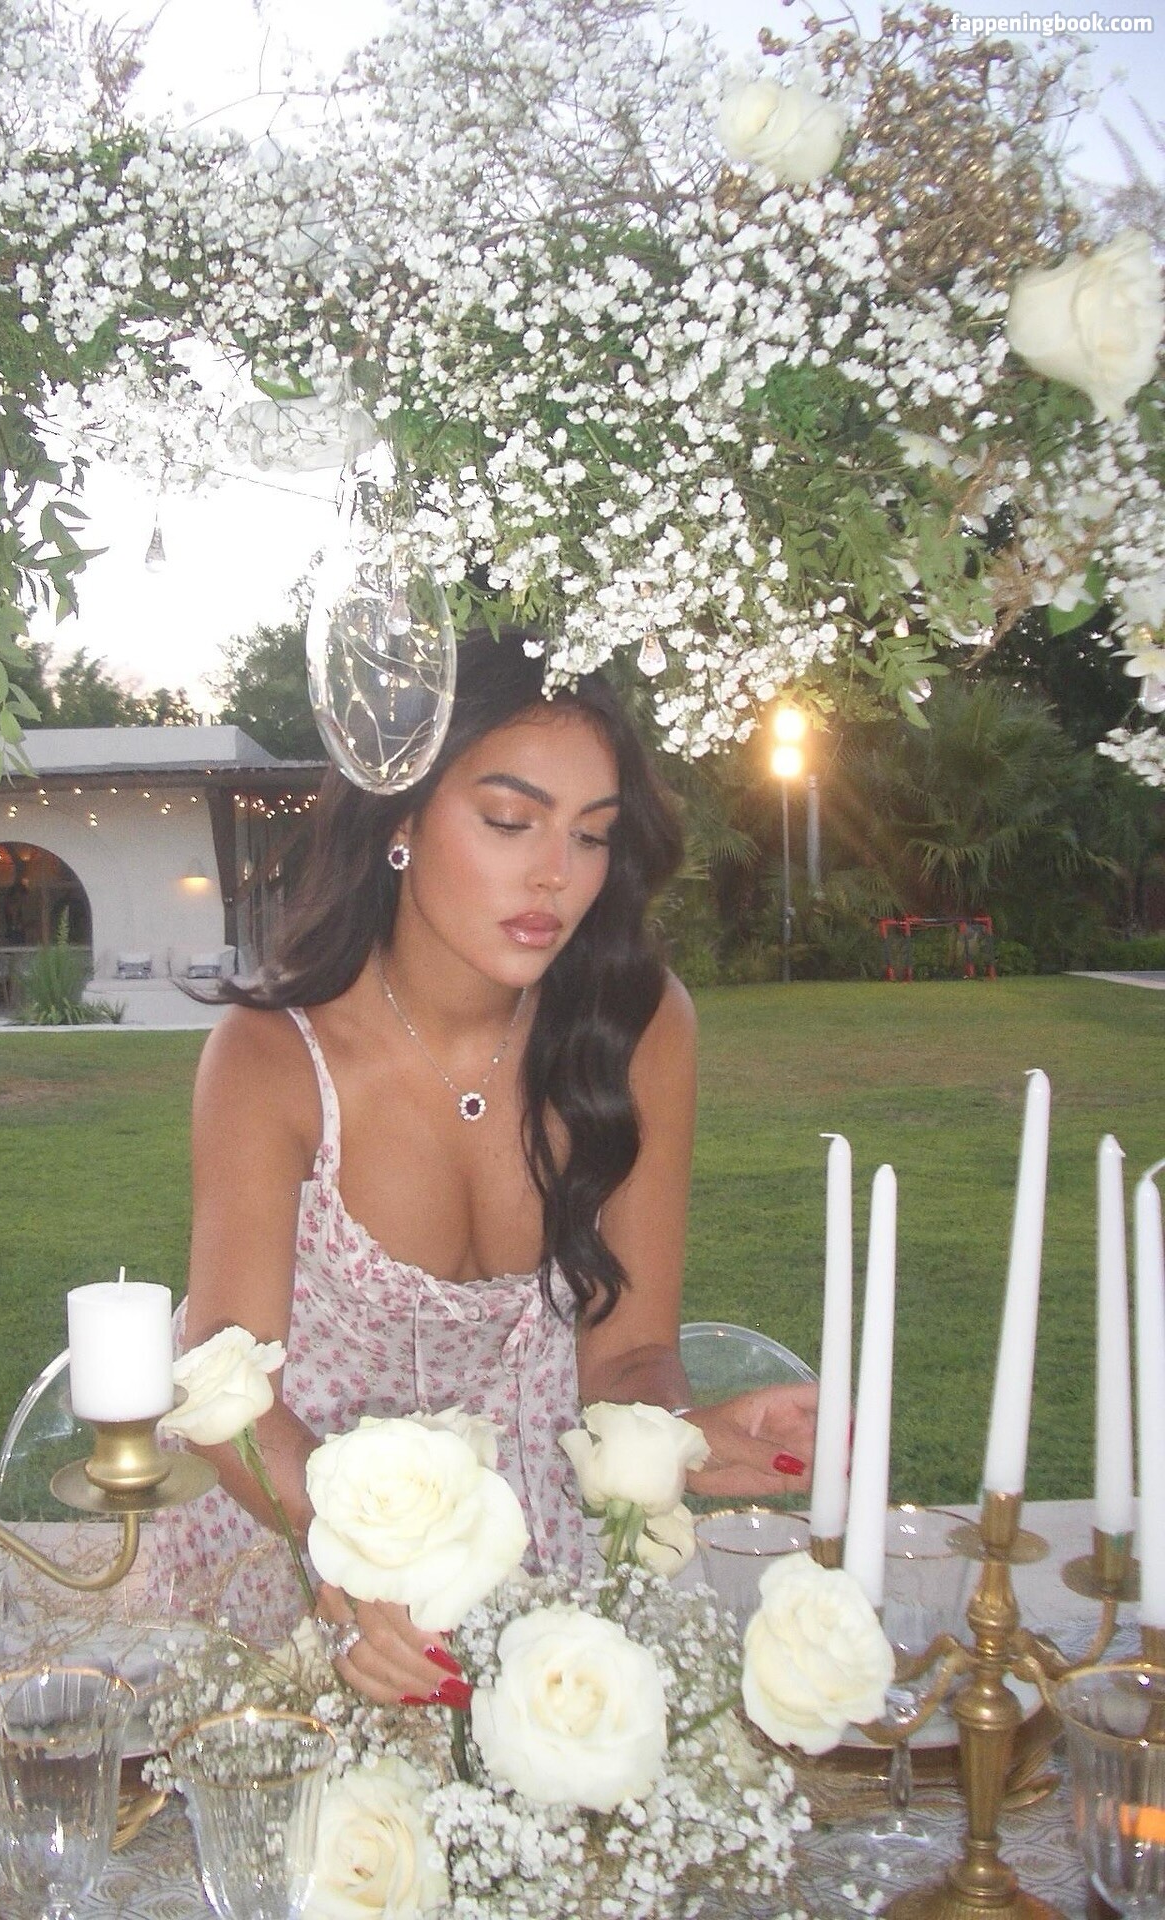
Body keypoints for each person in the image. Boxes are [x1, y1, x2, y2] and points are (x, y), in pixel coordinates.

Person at [164, 630, 816, 1706]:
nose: (557, 875)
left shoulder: (638, 1028)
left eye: (592, 835)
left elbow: (629, 1353)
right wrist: (362, 1560)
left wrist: (671, 1439)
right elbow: (227, 1389)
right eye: (512, 821)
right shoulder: (273, 1059)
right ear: (402, 819)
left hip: (533, 1546)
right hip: (298, 1543)